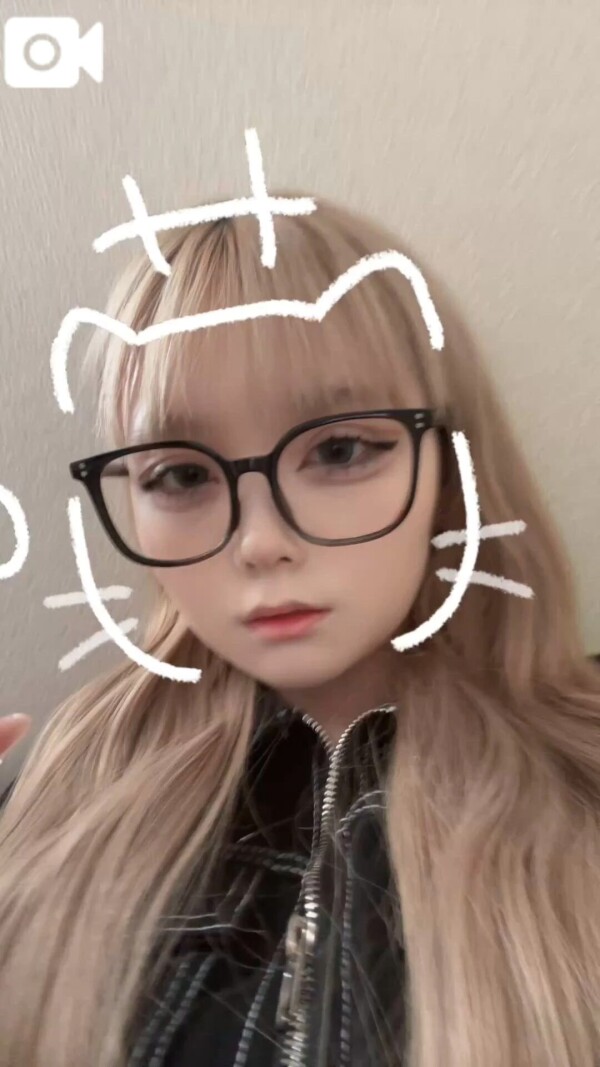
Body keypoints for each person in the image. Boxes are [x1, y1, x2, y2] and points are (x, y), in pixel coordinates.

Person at [0, 196, 599, 1067]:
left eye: (340, 449)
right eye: (180, 474)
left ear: (451, 466)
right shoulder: (55, 802)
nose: (261, 542)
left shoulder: (581, 773)